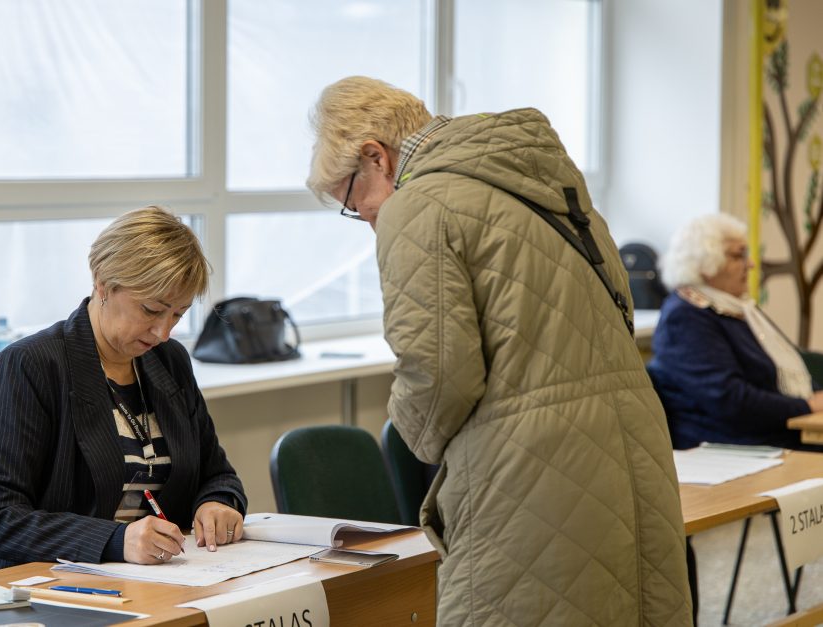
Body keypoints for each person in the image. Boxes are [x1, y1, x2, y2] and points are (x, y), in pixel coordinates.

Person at [307, 76, 692, 626]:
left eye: (350, 200)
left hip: (530, 477)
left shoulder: (417, 206)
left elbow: (438, 375)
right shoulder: (549, 181)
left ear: (375, 158)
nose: (364, 217)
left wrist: (413, 436)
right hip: (636, 455)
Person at [0, 206, 247, 571]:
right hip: (41, 585)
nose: (163, 333)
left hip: (155, 581)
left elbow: (217, 474)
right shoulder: (31, 365)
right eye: (150, 310)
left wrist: (218, 502)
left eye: (177, 314)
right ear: (103, 284)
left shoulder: (169, 361)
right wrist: (115, 540)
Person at [647, 213, 823, 450]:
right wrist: (807, 406)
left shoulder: (738, 308)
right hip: (732, 444)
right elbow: (730, 400)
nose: (750, 264)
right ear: (706, 265)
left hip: (772, 432)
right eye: (739, 255)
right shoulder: (686, 316)